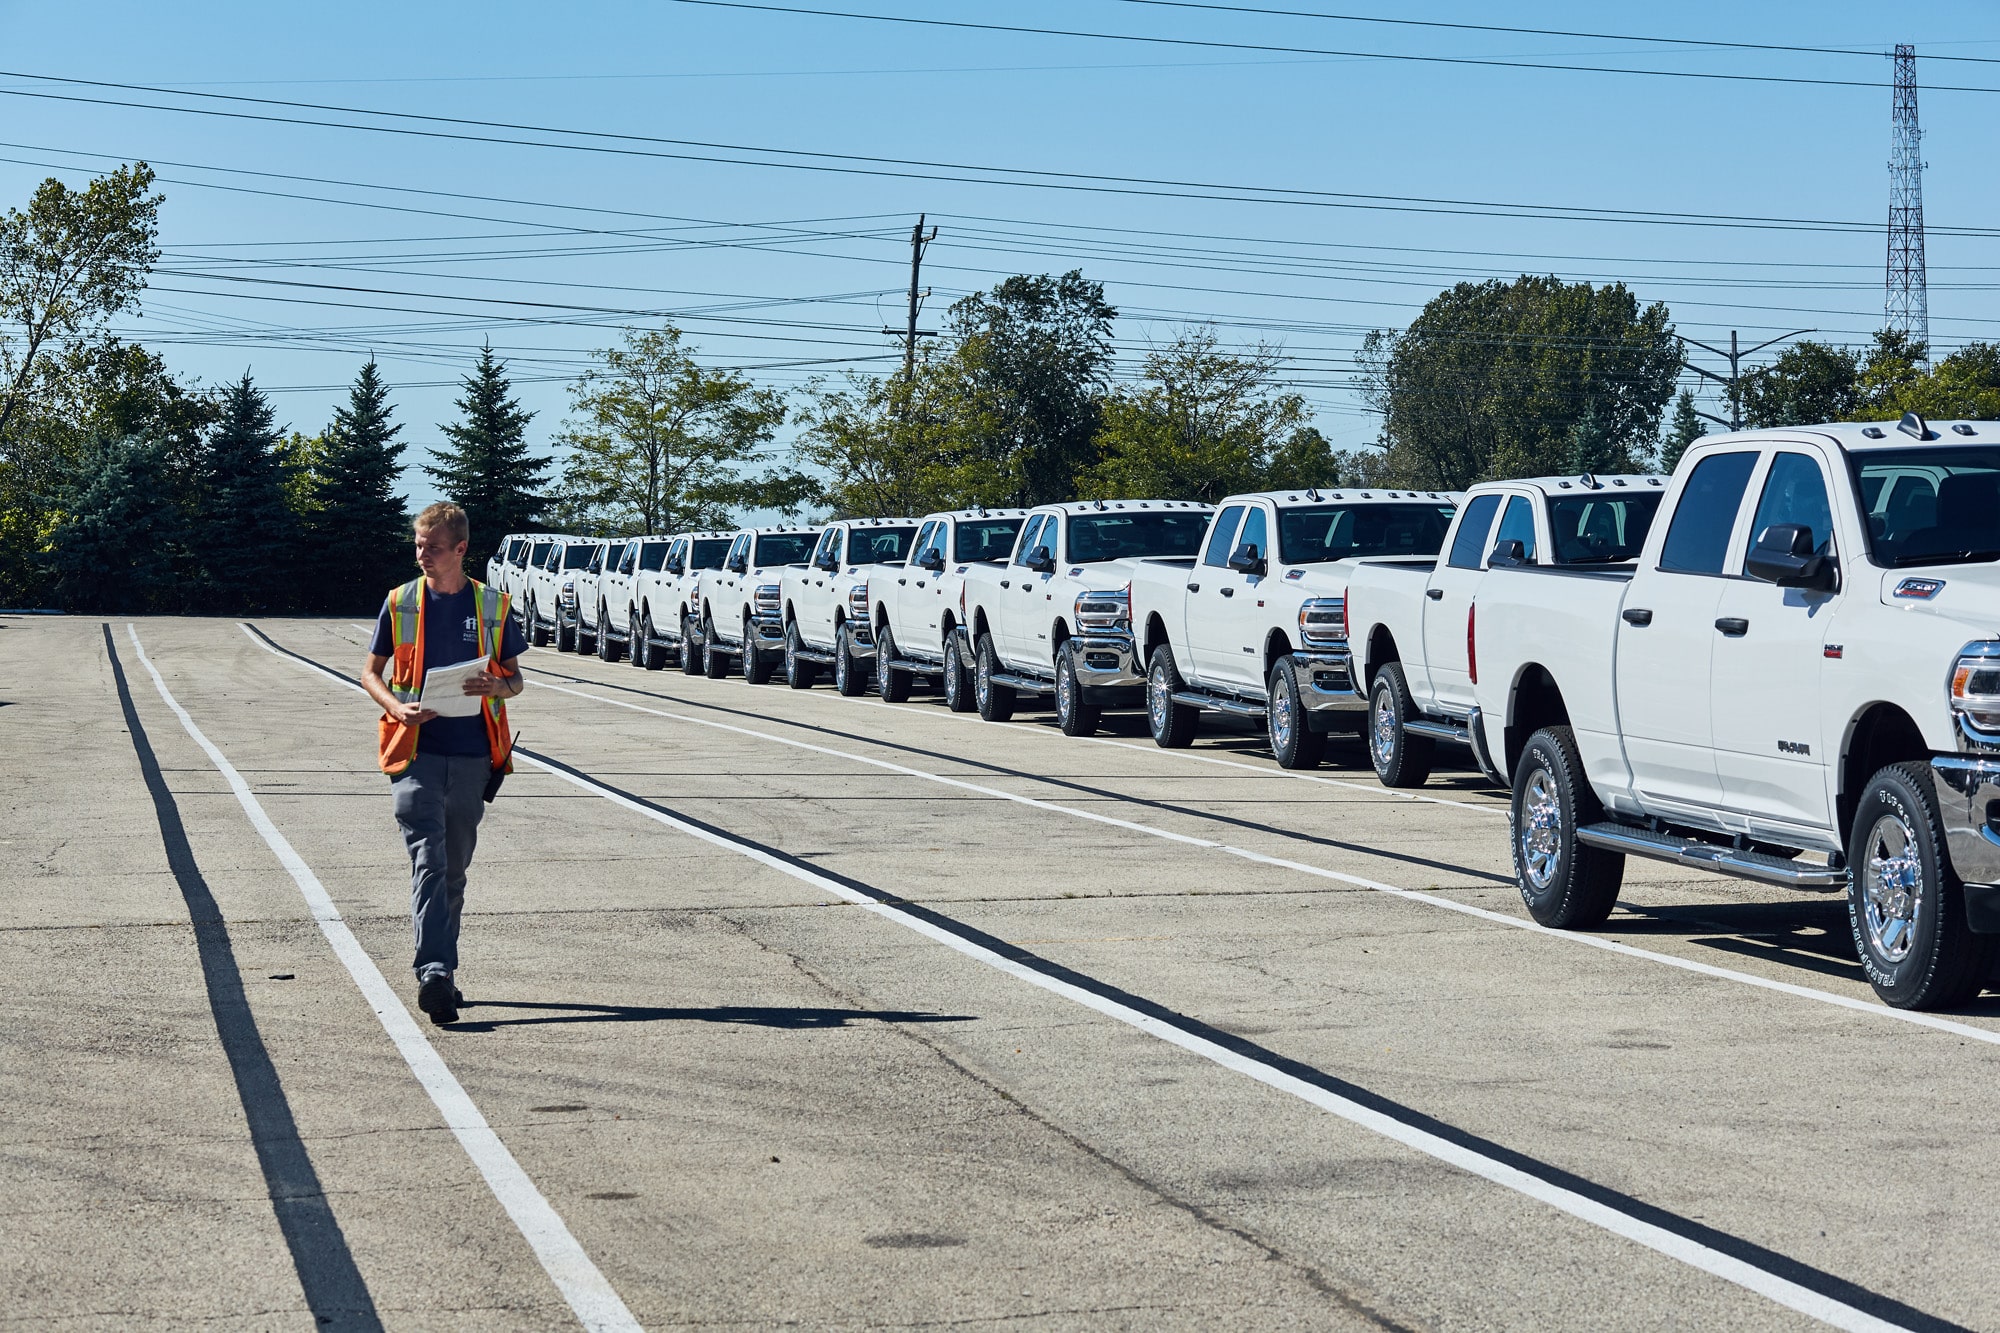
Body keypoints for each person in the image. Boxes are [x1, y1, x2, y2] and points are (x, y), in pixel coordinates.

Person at [361, 502, 526, 1026]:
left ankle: (443, 974)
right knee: (428, 858)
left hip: (474, 755)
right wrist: (395, 705)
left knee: (452, 869)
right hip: (414, 752)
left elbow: (516, 681)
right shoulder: (400, 602)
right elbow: (370, 673)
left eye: (432, 547)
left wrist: (497, 685)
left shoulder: (494, 607)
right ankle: (434, 970)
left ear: (460, 550)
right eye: (417, 545)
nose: (422, 554)